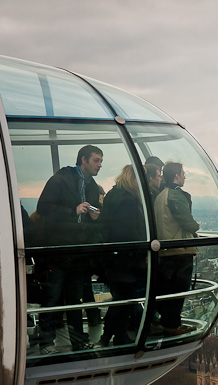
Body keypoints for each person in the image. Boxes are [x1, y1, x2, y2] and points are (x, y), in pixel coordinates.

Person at [34, 145, 104, 354]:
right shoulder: (61, 179)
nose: (99, 165)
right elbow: (43, 208)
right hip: (58, 250)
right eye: (96, 160)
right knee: (53, 296)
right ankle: (46, 343)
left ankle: (77, 340)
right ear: (83, 160)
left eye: (101, 161)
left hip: (77, 251)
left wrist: (95, 216)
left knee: (74, 299)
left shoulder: (91, 186)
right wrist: (72, 211)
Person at [98, 165, 147, 347]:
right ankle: (107, 337)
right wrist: (143, 251)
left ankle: (116, 336)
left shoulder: (114, 195)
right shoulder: (127, 200)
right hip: (126, 260)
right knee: (122, 301)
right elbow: (130, 232)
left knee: (121, 300)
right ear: (133, 179)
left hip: (115, 259)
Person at [153, 162, 198, 336]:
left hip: (165, 250)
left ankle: (168, 323)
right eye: (183, 173)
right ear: (176, 176)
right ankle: (173, 325)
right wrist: (196, 226)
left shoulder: (160, 195)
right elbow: (187, 222)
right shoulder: (176, 195)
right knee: (178, 290)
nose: (184, 176)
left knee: (167, 290)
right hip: (179, 250)